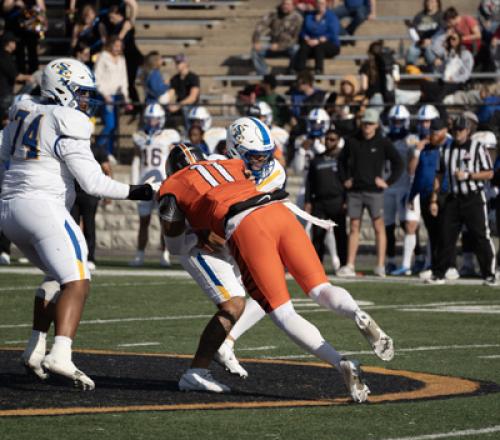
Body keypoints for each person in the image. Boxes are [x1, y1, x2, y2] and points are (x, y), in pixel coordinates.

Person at [158, 132, 394, 402]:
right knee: (321, 288)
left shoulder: (172, 185)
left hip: (247, 224)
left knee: (283, 312)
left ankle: (339, 361)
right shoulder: (228, 164)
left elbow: (176, 245)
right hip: (279, 209)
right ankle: (356, 313)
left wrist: (194, 228)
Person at [0, 58, 156, 389]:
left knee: (57, 278)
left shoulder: (23, 110)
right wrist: (142, 191)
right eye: (81, 93)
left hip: (10, 211)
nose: (85, 100)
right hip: (43, 208)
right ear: (63, 89)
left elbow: (2, 156)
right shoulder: (67, 118)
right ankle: (61, 354)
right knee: (79, 280)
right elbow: (94, 183)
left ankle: (35, 348)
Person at [427, 115, 496, 285]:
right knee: (445, 236)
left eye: (461, 130)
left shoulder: (477, 148)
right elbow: (439, 175)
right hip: (453, 197)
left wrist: (468, 175)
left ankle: (489, 273)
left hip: (473, 197)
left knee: (480, 235)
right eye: (455, 130)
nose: (458, 133)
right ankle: (439, 273)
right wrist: (434, 199)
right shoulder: (446, 149)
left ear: (467, 131)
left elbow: (489, 173)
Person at [336, 108, 403, 278]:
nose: (367, 126)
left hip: (375, 192)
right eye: (365, 123)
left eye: (370, 123)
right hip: (355, 191)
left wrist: (387, 182)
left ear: (377, 125)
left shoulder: (383, 142)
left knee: (378, 226)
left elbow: (398, 163)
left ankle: (380, 265)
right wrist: (345, 179)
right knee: (354, 226)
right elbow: (341, 161)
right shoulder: (352, 141)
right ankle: (350, 264)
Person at [129, 103, 180, 268]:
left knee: (164, 221)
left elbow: (174, 159)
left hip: (162, 184)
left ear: (162, 119)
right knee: (143, 222)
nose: (152, 122)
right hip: (144, 184)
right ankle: (140, 255)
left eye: (155, 119)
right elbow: (136, 160)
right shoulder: (138, 136)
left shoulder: (170, 135)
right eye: (149, 119)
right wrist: (134, 184)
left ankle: (164, 255)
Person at [408, 117, 451, 280]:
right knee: (433, 234)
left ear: (445, 131)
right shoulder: (426, 150)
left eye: (436, 132)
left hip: (442, 195)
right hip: (425, 195)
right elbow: (418, 175)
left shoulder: (449, 148)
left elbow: (444, 175)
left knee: (444, 233)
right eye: (431, 132)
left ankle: (448, 266)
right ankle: (434, 265)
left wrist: (438, 195)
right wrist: (412, 195)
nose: (432, 135)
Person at [383, 105, 422, 276]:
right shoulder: (385, 138)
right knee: (388, 226)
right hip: (388, 186)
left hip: (406, 185)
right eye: (394, 121)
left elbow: (414, 164)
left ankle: (411, 261)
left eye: (400, 121)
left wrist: (414, 149)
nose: (397, 124)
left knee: (409, 224)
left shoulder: (411, 138)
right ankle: (391, 261)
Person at [304, 126, 347, 269]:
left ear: (338, 141)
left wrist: (346, 200)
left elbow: (347, 181)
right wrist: (308, 201)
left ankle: (344, 265)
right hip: (319, 202)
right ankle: (318, 266)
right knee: (318, 236)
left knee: (341, 235)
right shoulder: (317, 160)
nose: (329, 142)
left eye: (332, 139)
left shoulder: (342, 159)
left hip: (338, 201)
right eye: (327, 139)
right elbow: (309, 182)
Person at [70, 141, 111, 272]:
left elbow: (106, 169)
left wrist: (108, 191)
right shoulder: (71, 146)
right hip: (73, 192)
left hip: (90, 193)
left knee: (89, 226)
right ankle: (74, 257)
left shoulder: (97, 149)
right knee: (72, 227)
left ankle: (90, 258)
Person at [98, 4, 143, 112]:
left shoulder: (126, 23)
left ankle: (136, 107)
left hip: (131, 57)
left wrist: (124, 30)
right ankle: (129, 105)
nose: (110, 20)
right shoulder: (115, 27)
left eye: (112, 17)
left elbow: (118, 41)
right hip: (123, 58)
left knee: (129, 82)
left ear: (118, 14)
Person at [94, 35, 129, 157]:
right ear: (110, 45)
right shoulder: (103, 57)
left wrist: (126, 96)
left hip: (118, 96)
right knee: (110, 124)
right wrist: (104, 94)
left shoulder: (122, 59)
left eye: (120, 46)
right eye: (116, 45)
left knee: (116, 127)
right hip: (106, 96)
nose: (118, 48)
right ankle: (97, 147)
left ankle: (109, 152)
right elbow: (97, 79)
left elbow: (124, 79)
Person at [251, 0, 302, 75]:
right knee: (255, 51)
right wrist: (256, 41)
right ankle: (264, 74)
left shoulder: (297, 18)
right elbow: (260, 26)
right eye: (284, 4)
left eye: (288, 4)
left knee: (296, 49)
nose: (285, 6)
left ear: (293, 6)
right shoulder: (273, 14)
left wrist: (279, 46)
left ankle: (291, 72)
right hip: (273, 46)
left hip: (288, 47)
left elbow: (295, 38)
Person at [294, 0, 341, 74]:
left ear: (326, 4)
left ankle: (319, 70)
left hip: (329, 44)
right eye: (318, 3)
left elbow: (333, 33)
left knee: (319, 47)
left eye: (322, 3)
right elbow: (303, 30)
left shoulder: (331, 17)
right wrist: (306, 37)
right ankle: (300, 70)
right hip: (311, 43)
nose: (320, 5)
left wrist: (319, 40)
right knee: (304, 46)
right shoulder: (309, 16)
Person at [0, 31, 32, 121]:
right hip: (4, 94)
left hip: (4, 93)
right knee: (6, 121)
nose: (15, 44)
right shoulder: (4, 57)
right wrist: (31, 78)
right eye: (13, 42)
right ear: (8, 43)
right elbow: (16, 76)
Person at [405, 0, 444, 67]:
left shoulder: (441, 15)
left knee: (429, 51)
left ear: (437, 3)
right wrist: (419, 42)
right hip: (420, 43)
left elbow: (443, 31)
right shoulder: (419, 16)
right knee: (411, 51)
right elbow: (413, 31)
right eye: (428, 2)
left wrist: (431, 40)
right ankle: (410, 71)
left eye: (432, 2)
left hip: (434, 43)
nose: (429, 4)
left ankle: (434, 73)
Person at [167, 54, 200, 130]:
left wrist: (178, 105)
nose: (177, 64)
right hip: (180, 105)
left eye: (179, 62)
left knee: (186, 109)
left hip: (191, 106)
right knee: (164, 108)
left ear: (185, 63)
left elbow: (192, 98)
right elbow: (170, 94)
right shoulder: (175, 78)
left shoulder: (193, 77)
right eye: (176, 62)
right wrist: (168, 104)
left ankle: (189, 132)